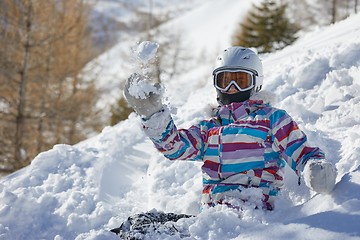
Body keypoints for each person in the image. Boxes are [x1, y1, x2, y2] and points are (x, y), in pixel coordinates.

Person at [124, 46, 337, 211]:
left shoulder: (272, 119)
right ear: (216, 84)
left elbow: (300, 151)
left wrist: (314, 167)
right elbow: (174, 147)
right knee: (141, 227)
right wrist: (152, 114)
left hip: (257, 212)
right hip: (214, 219)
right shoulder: (208, 129)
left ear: (256, 83)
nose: (232, 88)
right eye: (225, 80)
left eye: (240, 80)